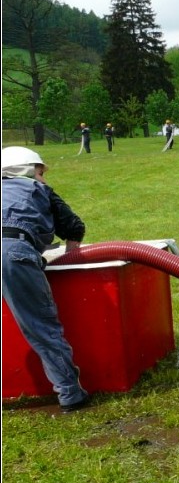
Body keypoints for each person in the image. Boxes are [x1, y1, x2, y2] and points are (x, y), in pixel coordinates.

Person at [2, 147, 91, 412]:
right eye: (41, 173)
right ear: (29, 170)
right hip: (12, 252)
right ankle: (71, 394)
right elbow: (73, 226)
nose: (44, 179)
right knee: (41, 329)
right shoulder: (39, 190)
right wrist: (71, 255)